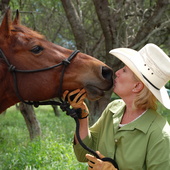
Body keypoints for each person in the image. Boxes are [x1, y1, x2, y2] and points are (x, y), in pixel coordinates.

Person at [63, 43, 170, 170]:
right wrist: (82, 116)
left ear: (137, 86)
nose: (117, 72)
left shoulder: (159, 135)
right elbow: (83, 155)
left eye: (124, 70)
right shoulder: (113, 109)